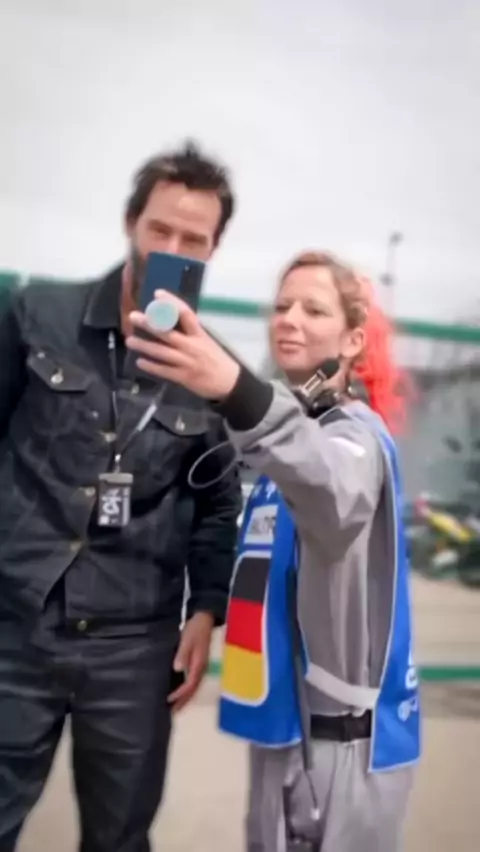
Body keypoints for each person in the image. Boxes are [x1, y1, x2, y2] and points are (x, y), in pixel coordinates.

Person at [126, 250, 422, 852]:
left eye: (314, 309)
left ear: (353, 339)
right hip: (286, 736)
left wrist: (238, 391)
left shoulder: (356, 437)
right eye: (283, 306)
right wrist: (205, 614)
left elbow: (332, 493)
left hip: (341, 753)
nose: (289, 318)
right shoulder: (290, 442)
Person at [0, 141, 241, 851]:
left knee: (120, 837)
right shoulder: (36, 314)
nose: (174, 249)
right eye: (160, 229)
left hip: (135, 646)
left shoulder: (215, 371)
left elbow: (219, 505)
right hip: (16, 619)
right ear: (131, 223)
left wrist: (206, 610)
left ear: (214, 250)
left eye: (194, 240)